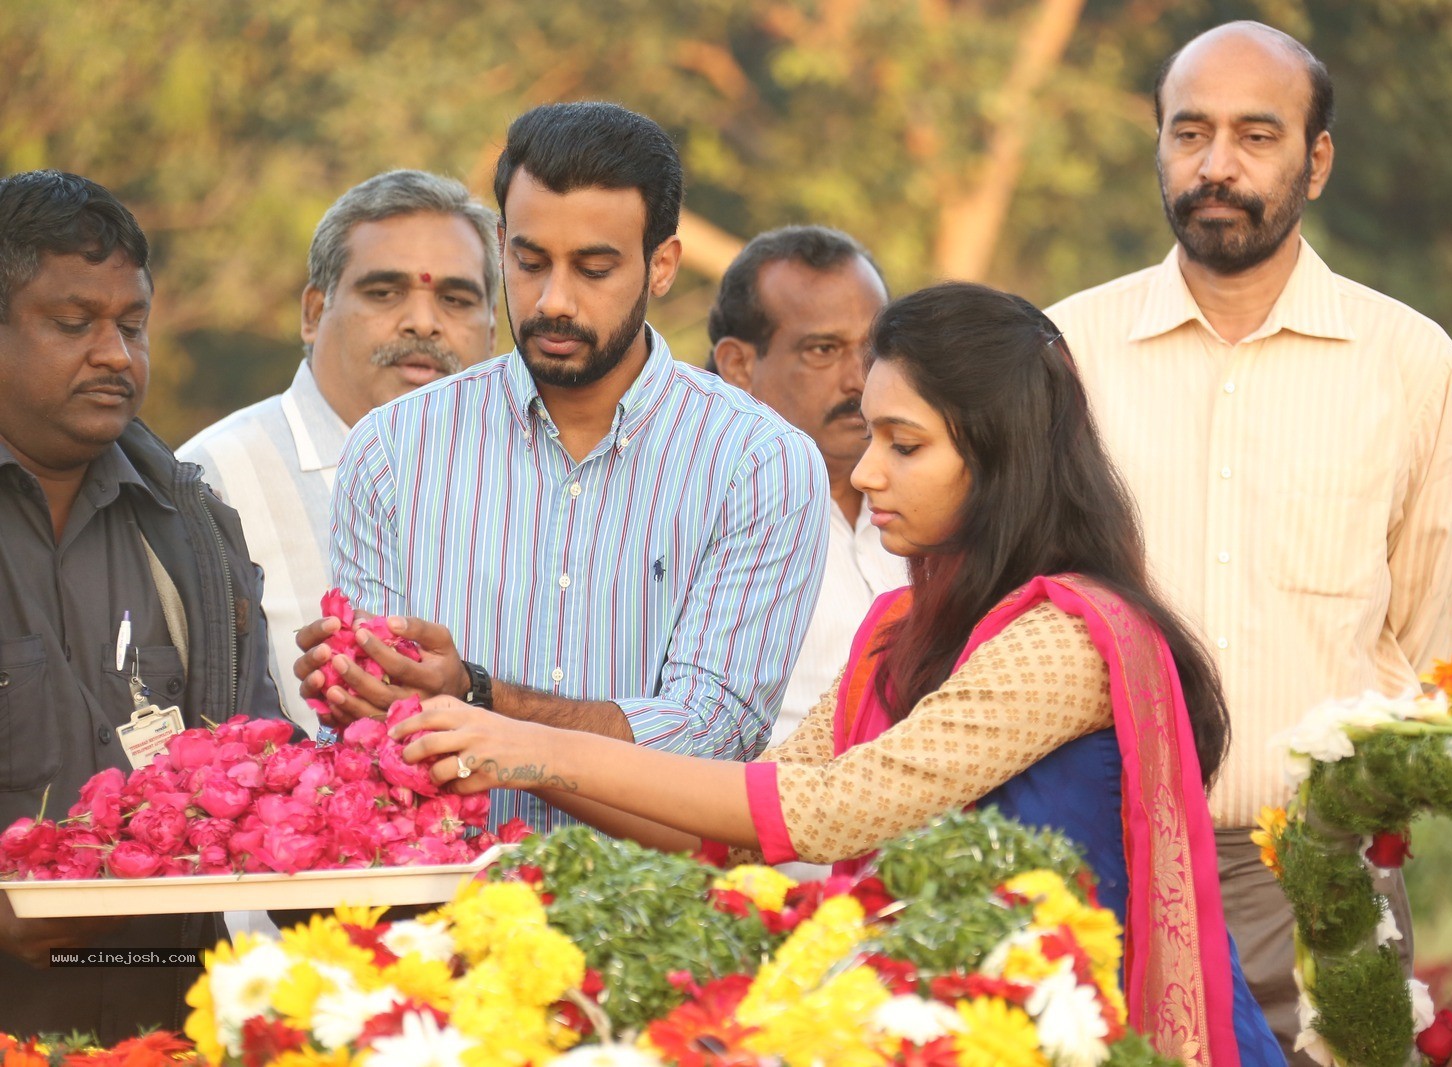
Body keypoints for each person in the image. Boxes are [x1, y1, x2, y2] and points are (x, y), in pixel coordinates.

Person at [394, 283, 1285, 1066]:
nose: (865, 471)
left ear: (1003, 457)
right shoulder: (905, 630)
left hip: (1090, 1031)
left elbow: (828, 811)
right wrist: (486, 730)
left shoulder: (1068, 639)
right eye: (873, 437)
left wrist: (528, 748)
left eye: (906, 445)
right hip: (960, 1028)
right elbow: (755, 811)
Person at [1043, 22, 1452, 1060]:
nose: (1216, 166)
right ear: (1156, 145)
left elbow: (1433, 648)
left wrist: (1357, 832)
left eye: (1254, 135)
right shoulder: (1062, 352)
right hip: (1103, 862)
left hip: (1320, 877)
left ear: (1315, 160)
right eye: (1188, 133)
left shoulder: (1410, 364)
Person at [292, 102, 830, 834]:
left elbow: (711, 736)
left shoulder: (759, 463)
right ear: (503, 246)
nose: (554, 301)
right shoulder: (392, 449)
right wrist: (352, 685)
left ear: (662, 266)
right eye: (530, 261)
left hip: (653, 919)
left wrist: (478, 697)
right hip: (431, 921)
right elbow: (369, 740)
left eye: (595, 268)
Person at [0, 171, 286, 1037]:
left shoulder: (194, 530)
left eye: (131, 325)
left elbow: (253, 772)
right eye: (72, 323)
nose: (116, 355)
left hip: (160, 1008)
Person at [178, 170, 499, 733]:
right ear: (312, 312)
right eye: (385, 292)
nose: (424, 322)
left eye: (455, 299)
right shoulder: (213, 481)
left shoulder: (528, 482)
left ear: (493, 334)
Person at [707, 225, 903, 746]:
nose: (859, 379)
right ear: (738, 365)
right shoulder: (697, 521)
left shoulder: (943, 514)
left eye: (872, 347)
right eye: (823, 349)